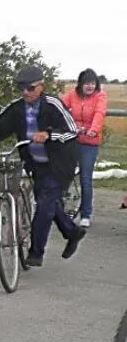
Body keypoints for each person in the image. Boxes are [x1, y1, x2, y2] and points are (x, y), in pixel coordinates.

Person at [0, 66, 85, 267]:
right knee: (48, 202)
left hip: (60, 163)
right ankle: (73, 232)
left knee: (45, 203)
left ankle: (36, 252)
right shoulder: (17, 108)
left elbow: (71, 131)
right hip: (36, 164)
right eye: (21, 88)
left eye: (30, 87)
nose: (25, 92)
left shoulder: (52, 104)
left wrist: (49, 134)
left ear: (41, 86)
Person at [61, 68, 107, 227]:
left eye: (93, 83)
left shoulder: (100, 96)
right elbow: (60, 107)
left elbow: (99, 114)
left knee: (85, 178)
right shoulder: (72, 95)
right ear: (80, 84)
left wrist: (93, 130)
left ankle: (86, 214)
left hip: (89, 142)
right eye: (86, 83)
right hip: (73, 139)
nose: (90, 86)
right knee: (63, 174)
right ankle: (58, 209)